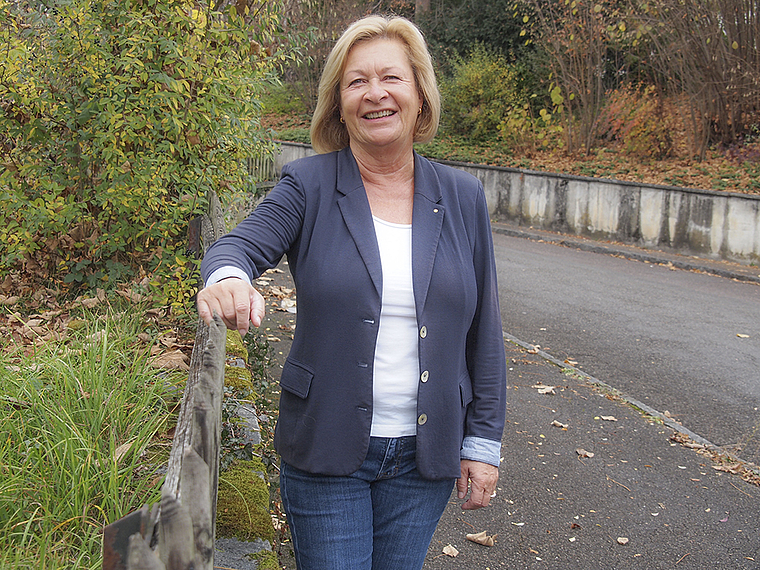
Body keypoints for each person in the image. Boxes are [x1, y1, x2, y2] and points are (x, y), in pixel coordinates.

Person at [197, 14, 506, 570]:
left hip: (425, 458)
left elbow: (484, 330)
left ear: (420, 95)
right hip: (327, 447)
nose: (375, 93)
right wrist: (228, 280)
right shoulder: (309, 185)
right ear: (338, 103)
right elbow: (234, 248)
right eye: (356, 81)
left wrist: (483, 444)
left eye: (391, 77)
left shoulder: (462, 197)